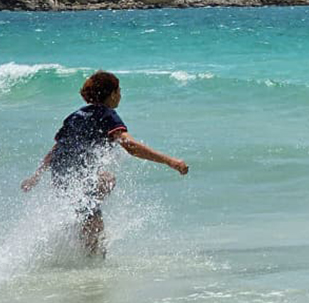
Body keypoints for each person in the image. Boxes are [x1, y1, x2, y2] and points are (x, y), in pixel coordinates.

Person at [21, 70, 189, 255]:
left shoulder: (75, 116)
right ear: (112, 94)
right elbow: (130, 145)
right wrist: (170, 161)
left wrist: (35, 177)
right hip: (77, 174)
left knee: (105, 182)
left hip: (61, 173)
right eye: (119, 91)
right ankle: (90, 261)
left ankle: (80, 228)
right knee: (96, 228)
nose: (120, 95)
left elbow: (56, 149)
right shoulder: (108, 115)